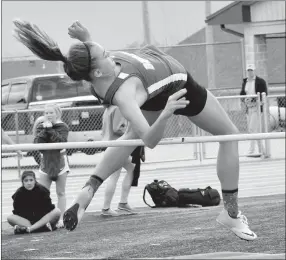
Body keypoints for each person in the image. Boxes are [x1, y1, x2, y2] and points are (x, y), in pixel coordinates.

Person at [13, 19, 257, 241]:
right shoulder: (126, 95)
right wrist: (165, 114)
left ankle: (87, 191)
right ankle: (231, 213)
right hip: (179, 89)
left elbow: (92, 61)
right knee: (230, 135)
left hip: (156, 91)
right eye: (106, 55)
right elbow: (150, 141)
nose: (112, 57)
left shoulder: (93, 74)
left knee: (129, 137)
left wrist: (86, 38)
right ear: (97, 71)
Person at [101, 105, 143, 216]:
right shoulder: (117, 107)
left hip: (111, 143)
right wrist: (133, 131)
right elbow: (117, 128)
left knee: (131, 168)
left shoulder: (108, 108)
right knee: (115, 175)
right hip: (117, 145)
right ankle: (107, 207)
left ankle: (122, 203)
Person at [33, 104, 70, 228]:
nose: (48, 115)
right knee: (43, 193)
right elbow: (37, 143)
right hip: (45, 164)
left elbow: (61, 142)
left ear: (57, 113)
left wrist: (50, 130)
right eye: (46, 113)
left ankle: (61, 219)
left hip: (60, 163)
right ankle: (45, 219)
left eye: (51, 113)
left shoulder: (63, 126)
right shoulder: (40, 126)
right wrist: (44, 129)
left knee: (61, 193)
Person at [240, 64, 268, 157]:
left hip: (257, 108)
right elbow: (242, 93)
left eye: (251, 70)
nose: (250, 72)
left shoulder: (260, 81)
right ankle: (262, 151)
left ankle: (252, 150)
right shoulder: (245, 82)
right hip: (249, 108)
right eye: (248, 70)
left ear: (254, 71)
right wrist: (244, 99)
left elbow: (264, 94)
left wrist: (253, 99)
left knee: (253, 128)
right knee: (253, 130)